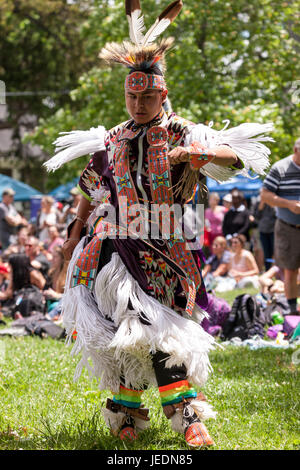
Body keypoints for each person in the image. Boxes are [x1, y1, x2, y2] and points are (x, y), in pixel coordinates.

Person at [43, 0, 273, 448]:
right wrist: (71, 242)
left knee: (163, 332)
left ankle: (185, 414)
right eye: (132, 96)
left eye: (147, 96)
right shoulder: (113, 138)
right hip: (113, 253)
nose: (139, 103)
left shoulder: (182, 132)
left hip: (167, 248)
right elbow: (89, 190)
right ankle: (129, 413)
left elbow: (234, 155)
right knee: (125, 333)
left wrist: (194, 155)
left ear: (162, 94)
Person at [261, 137, 300, 315]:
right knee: (290, 270)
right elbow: (265, 196)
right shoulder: (280, 168)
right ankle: (292, 311)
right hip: (287, 226)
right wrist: (289, 204)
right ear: (295, 150)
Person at [253, 190, 276, 271]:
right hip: (263, 231)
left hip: (273, 231)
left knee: (274, 252)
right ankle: (267, 269)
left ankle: (274, 270)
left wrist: (271, 203)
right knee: (266, 252)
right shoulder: (258, 203)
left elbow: (276, 214)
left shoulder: (273, 202)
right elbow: (256, 216)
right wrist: (261, 205)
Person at [43, 246, 68, 319]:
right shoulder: (51, 274)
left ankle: (48, 317)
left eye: (55, 257)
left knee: (63, 301)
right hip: (51, 304)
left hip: (62, 305)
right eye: (52, 256)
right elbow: (45, 289)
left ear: (62, 259)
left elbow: (70, 296)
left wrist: (57, 295)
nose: (52, 259)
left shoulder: (67, 275)